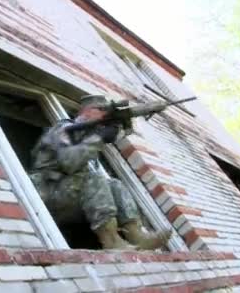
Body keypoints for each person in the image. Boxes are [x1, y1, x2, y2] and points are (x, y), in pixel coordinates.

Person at [29, 95, 171, 250]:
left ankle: (136, 235)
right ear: (87, 111)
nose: (105, 115)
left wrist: (118, 125)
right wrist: (99, 138)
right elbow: (70, 163)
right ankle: (111, 241)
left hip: (68, 196)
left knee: (115, 184)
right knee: (93, 178)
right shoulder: (64, 128)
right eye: (103, 110)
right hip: (47, 196)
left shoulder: (86, 134)